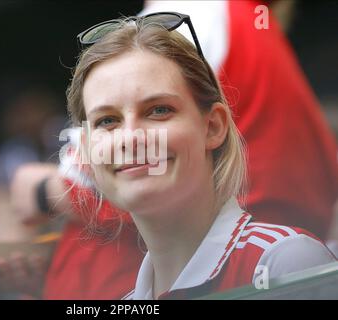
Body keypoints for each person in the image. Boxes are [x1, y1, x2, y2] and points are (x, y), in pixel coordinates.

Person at [62, 12, 336, 299]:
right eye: (107, 120)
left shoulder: (283, 265)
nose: (130, 138)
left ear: (213, 126)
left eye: (159, 110)